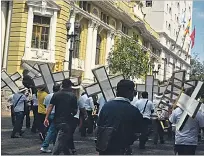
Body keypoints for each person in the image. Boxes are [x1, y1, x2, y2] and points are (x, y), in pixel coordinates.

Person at [96, 80, 143, 155]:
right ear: (129, 92)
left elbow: (98, 127)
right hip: (122, 150)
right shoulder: (134, 111)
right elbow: (137, 132)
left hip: (105, 149)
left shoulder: (106, 106)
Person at [44, 79, 78, 155]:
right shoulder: (73, 96)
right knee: (60, 141)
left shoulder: (56, 94)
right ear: (70, 86)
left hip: (57, 120)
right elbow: (75, 110)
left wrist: (46, 118)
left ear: (62, 85)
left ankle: (67, 154)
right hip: (67, 121)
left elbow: (50, 106)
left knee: (62, 139)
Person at [169, 88, 204, 155]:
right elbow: (202, 126)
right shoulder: (198, 113)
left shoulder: (177, 111)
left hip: (179, 141)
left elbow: (170, 122)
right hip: (191, 142)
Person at [40, 84, 61, 153]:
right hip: (55, 114)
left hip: (48, 114)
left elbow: (45, 104)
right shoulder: (57, 96)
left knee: (53, 130)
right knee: (51, 131)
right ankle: (44, 146)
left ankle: (55, 145)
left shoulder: (47, 96)